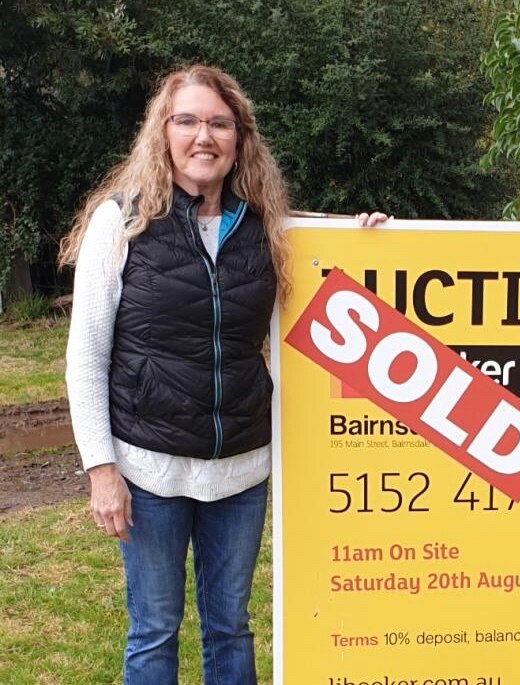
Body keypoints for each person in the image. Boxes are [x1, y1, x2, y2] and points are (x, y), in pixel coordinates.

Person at [59, 65, 387, 685]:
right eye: (186, 121)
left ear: (239, 137)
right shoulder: (121, 222)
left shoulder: (266, 225)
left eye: (218, 122)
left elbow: (337, 292)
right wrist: (101, 470)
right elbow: (85, 355)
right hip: (149, 469)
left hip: (240, 470)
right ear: (163, 132)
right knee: (154, 632)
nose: (202, 136)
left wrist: (369, 244)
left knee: (230, 627)